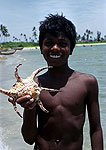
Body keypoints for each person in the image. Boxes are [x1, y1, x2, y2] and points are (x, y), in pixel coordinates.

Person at [9, 14, 103, 150]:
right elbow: (29, 139)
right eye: (49, 43)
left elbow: (96, 129)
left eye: (62, 43)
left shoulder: (87, 82)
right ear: (41, 48)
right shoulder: (33, 85)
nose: (55, 48)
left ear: (71, 49)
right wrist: (28, 108)